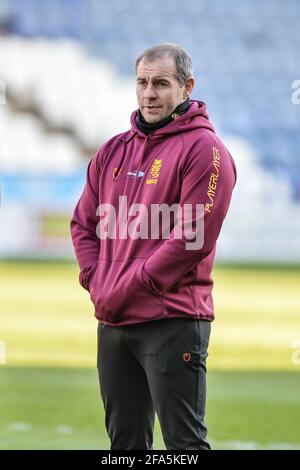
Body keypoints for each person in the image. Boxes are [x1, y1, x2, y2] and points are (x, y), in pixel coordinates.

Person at [71, 43, 236, 450]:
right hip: (112, 322)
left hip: (172, 322)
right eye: (142, 83)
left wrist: (133, 284)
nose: (149, 93)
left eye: (161, 84)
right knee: (125, 445)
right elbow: (82, 224)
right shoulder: (112, 150)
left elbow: (191, 239)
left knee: (184, 445)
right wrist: (96, 280)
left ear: (187, 87)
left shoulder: (205, 150)